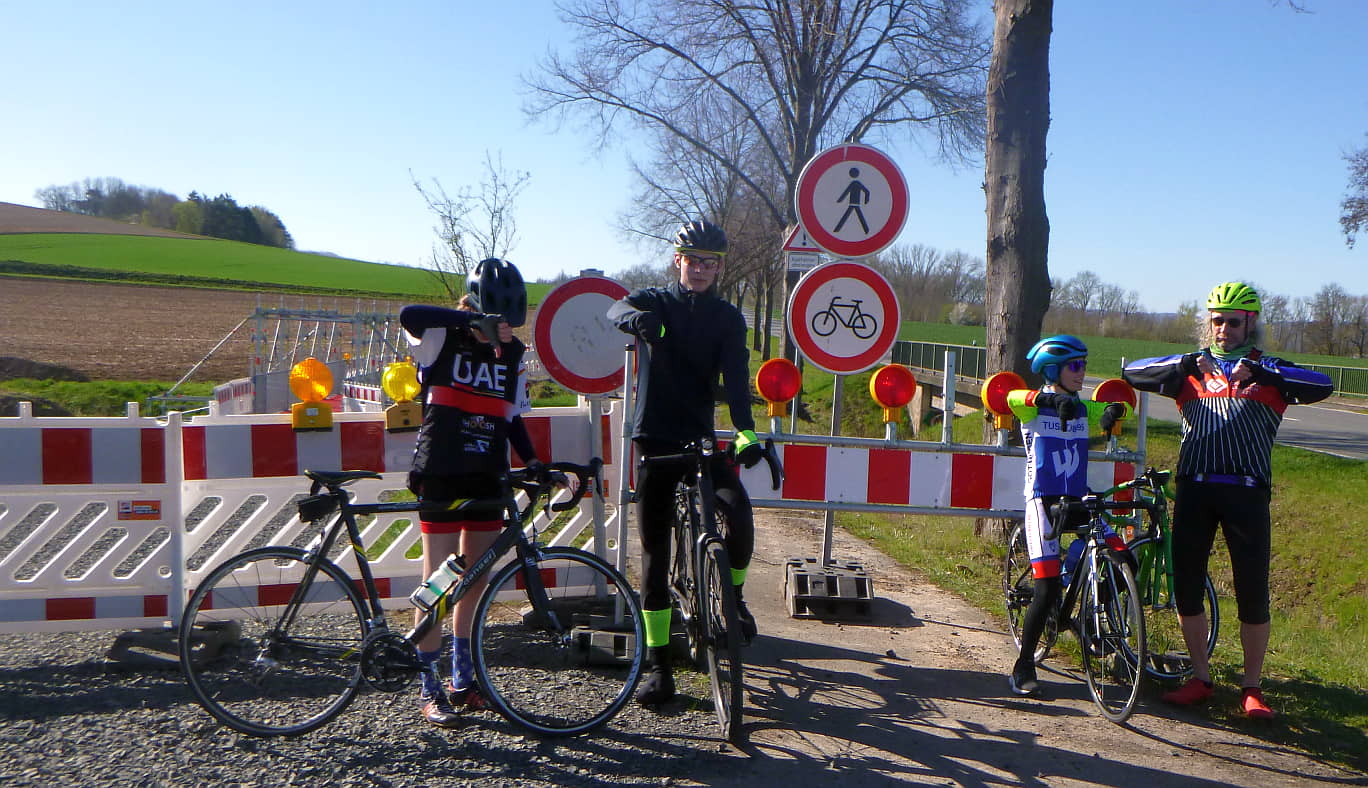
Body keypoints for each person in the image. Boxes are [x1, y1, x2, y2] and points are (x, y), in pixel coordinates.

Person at [1123, 281, 1332, 719]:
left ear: (1250, 324)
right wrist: (1183, 364)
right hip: (1195, 489)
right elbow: (1134, 373)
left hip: (1247, 492)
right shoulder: (1192, 368)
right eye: (1217, 321)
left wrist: (1264, 375)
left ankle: (1252, 688)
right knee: (1187, 587)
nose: (1224, 329)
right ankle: (1200, 678)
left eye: (1233, 322)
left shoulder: (1267, 369)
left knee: (1252, 591)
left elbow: (1322, 384)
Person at [607, 219, 766, 707]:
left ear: (719, 268)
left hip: (699, 438)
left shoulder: (727, 317)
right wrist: (638, 322)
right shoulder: (657, 301)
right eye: (692, 260)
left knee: (737, 512)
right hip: (654, 439)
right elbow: (615, 308)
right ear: (678, 260)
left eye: (709, 263)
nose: (700, 269)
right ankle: (659, 666)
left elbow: (736, 377)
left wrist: (745, 431)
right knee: (654, 555)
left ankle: (734, 598)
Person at [399, 257, 543, 728]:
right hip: (441, 470)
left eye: (509, 322)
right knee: (438, 581)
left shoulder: (513, 353)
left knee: (475, 582)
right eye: (498, 320)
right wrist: (470, 321)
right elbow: (408, 315)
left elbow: (512, 416)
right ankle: (429, 687)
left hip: (487, 474)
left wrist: (534, 462)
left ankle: (463, 679)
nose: (504, 329)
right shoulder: (442, 335)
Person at [1005, 334, 1130, 698]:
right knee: (1045, 588)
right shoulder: (1033, 408)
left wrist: (1114, 411)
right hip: (1043, 503)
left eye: (1084, 365)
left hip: (1077, 500)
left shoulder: (1079, 406)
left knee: (1126, 560)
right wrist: (1046, 399)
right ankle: (1023, 665)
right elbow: (1011, 398)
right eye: (1075, 366)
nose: (1082, 372)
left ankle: (1089, 614)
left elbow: (1117, 406)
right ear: (1052, 370)